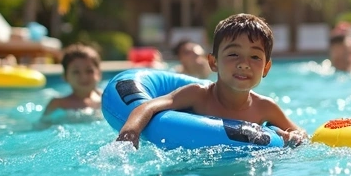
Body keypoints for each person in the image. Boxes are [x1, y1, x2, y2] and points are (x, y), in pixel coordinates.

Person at [115, 14, 309, 148]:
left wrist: (289, 136)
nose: (244, 64)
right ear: (213, 62)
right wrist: (131, 130)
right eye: (233, 54)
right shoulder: (196, 95)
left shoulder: (265, 107)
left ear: (266, 68)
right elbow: (148, 106)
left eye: (255, 57)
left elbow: (300, 133)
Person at [39, 44, 103, 124]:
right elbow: (41, 126)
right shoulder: (57, 104)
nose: (83, 77)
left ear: (99, 74)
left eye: (89, 71)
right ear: (65, 76)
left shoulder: (105, 100)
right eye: (76, 72)